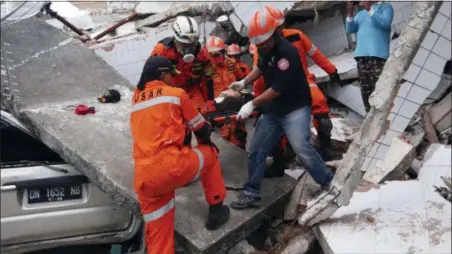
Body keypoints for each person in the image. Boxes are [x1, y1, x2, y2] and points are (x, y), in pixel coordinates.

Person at [229, 11, 334, 210]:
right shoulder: (264, 48)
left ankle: (328, 181)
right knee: (257, 150)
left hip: (294, 108)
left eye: (264, 42)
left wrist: (252, 104)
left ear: (275, 33)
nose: (261, 46)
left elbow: (276, 89)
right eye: (258, 44)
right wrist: (244, 81)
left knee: (301, 146)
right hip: (274, 110)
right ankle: (251, 193)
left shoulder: (288, 53)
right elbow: (260, 67)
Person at [130, 55, 230, 254]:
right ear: (163, 74)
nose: (173, 78)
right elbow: (200, 129)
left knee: (160, 233)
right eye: (170, 75)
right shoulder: (176, 94)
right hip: (170, 167)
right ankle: (217, 209)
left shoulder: (136, 99)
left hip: (144, 178)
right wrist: (205, 131)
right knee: (209, 153)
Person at [264, 5, 344, 164]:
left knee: (320, 107)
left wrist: (332, 71)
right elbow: (259, 73)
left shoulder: (297, 36)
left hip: (302, 80)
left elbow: (316, 54)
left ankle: (325, 147)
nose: (279, 30)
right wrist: (260, 99)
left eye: (280, 26)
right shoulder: (262, 46)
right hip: (278, 86)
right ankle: (284, 155)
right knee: (279, 119)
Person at [150, 16, 210, 110]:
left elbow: (208, 78)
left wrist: (209, 101)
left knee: (202, 117)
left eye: (192, 44)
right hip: (169, 91)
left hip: (191, 91)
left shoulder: (201, 52)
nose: (189, 48)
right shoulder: (162, 49)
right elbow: (150, 75)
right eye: (185, 44)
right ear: (176, 39)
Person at [346, 1, 394, 113]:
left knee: (379, 89)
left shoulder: (385, 7)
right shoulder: (361, 14)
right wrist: (350, 13)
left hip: (377, 55)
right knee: (366, 90)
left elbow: (385, 23)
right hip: (362, 56)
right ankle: (370, 117)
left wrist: (370, 9)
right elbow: (350, 29)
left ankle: (386, 116)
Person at [204, 36, 247, 149]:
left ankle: (241, 154)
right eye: (211, 55)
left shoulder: (232, 64)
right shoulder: (208, 68)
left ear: (223, 52)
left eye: (216, 54)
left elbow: (241, 80)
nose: (213, 57)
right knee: (226, 133)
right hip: (219, 106)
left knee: (240, 132)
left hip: (235, 102)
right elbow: (205, 87)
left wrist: (241, 93)